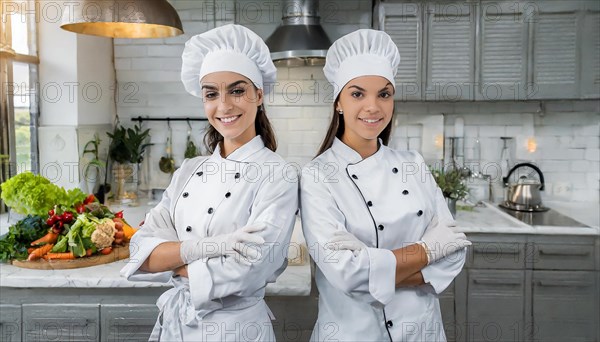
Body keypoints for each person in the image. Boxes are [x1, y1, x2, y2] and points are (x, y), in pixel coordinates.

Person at [121, 24, 298, 341]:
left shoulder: (278, 174)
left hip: (237, 330)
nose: (224, 105)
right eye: (211, 94)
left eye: (237, 90)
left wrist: (174, 262)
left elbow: (251, 268)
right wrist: (210, 250)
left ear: (259, 94)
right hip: (176, 326)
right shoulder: (189, 169)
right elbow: (141, 248)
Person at [300, 29, 471, 341]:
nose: (373, 107)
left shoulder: (413, 164)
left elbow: (455, 251)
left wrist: (376, 269)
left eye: (384, 94)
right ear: (338, 102)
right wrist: (430, 247)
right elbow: (348, 274)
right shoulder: (317, 176)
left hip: (421, 331)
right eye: (357, 94)